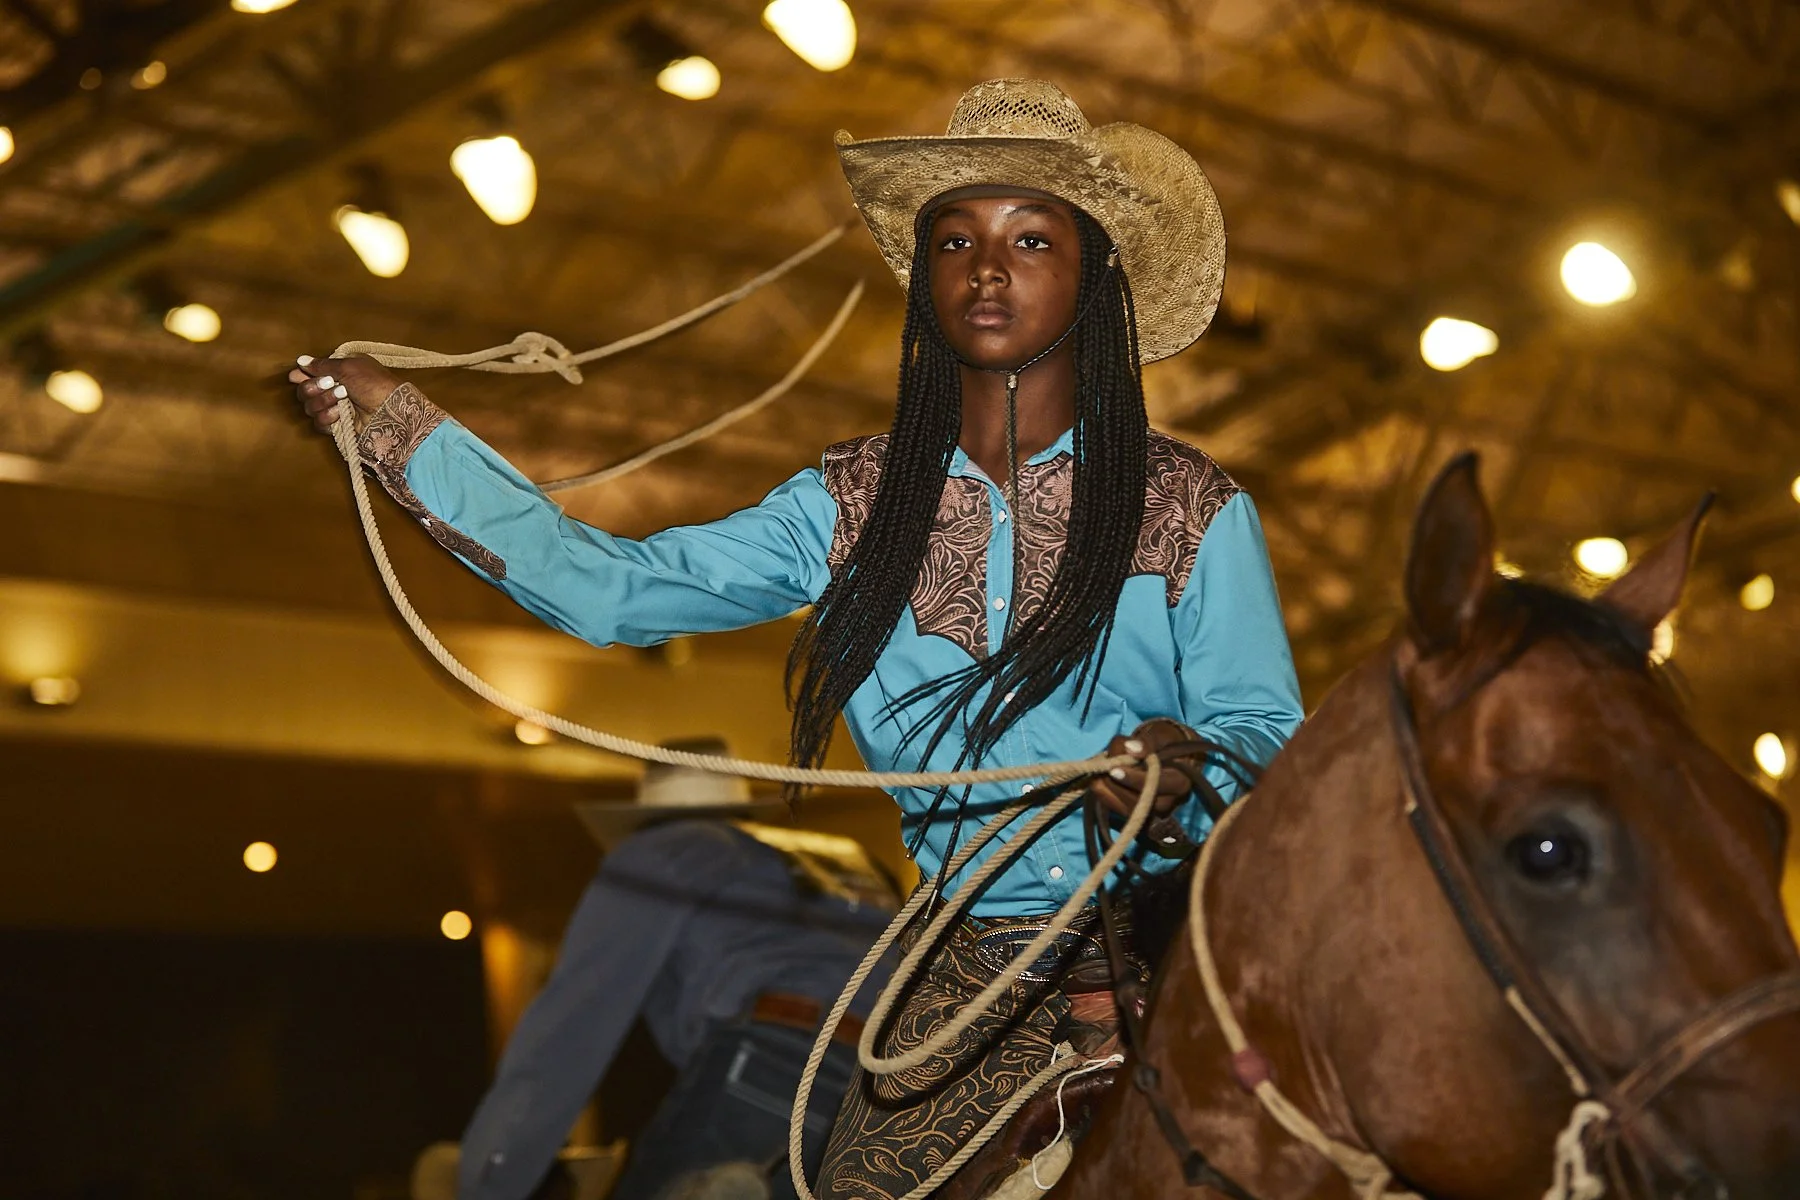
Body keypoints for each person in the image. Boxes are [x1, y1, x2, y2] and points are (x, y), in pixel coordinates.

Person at [290, 78, 1303, 1200]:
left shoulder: (1193, 507)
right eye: (954, 239)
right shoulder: (848, 506)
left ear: (1095, 271)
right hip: (968, 965)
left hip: (1181, 935)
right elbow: (621, 591)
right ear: (923, 279)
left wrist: (1184, 775)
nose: (985, 266)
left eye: (1030, 238)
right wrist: (396, 430)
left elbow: (1269, 736)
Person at [443, 797, 897, 1200]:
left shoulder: (661, 851)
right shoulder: (849, 861)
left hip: (773, 1063)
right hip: (889, 1082)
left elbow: (569, 1028)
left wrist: (489, 1177)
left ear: (647, 821)